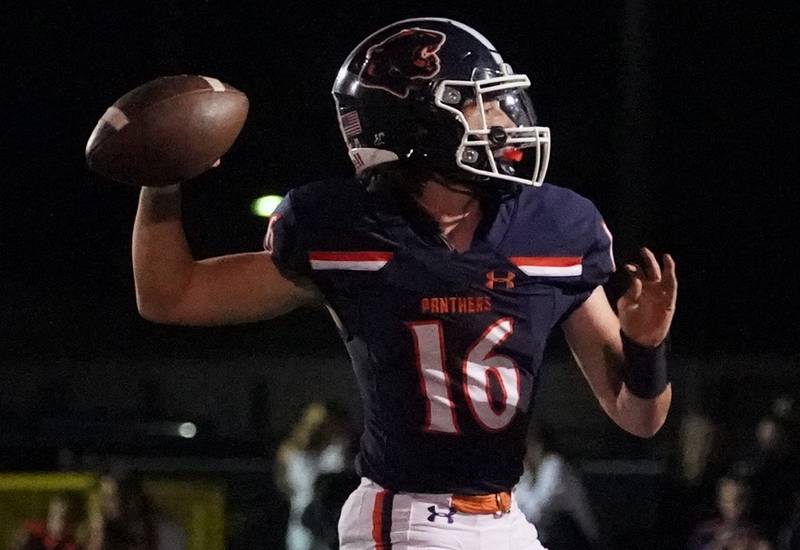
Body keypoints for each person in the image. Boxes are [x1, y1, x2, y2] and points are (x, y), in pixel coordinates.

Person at [129, 17, 677, 550]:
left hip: (507, 519)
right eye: (476, 102)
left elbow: (640, 418)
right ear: (417, 125)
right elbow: (170, 295)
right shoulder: (347, 228)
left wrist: (646, 347)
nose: (503, 119)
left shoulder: (554, 227)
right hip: (408, 518)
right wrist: (162, 182)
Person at [275, 400, 354, 550]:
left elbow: (341, 476)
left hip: (329, 517)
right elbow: (287, 481)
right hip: (304, 514)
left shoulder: (336, 447)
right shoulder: (292, 450)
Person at [515, 423, 600, 549]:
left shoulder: (554, 464)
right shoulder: (528, 472)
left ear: (538, 445)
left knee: (554, 523)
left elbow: (537, 512)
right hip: (548, 539)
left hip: (574, 538)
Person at [10, 493, 86, 550]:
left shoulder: (71, 544)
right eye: (53, 515)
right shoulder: (32, 531)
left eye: (65, 518)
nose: (58, 522)